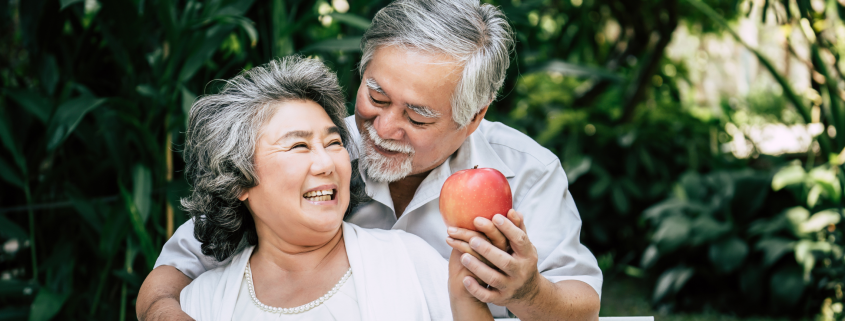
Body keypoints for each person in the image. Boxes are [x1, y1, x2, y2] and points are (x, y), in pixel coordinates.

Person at [137, 1, 602, 320]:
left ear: (474, 117)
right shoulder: (322, 150)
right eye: (376, 95)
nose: (381, 128)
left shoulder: (526, 171)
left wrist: (528, 292)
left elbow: (582, 302)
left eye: (417, 117)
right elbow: (178, 267)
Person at [173, 56, 493, 320]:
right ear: (238, 179)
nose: (327, 163)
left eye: (334, 142)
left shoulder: (410, 260)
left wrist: (468, 302)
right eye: (299, 145)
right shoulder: (200, 302)